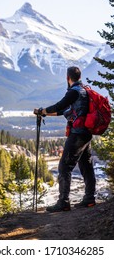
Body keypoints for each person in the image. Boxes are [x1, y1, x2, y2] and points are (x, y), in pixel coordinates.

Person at [34, 66, 96, 212]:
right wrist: (46, 114)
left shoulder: (73, 92)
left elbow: (59, 105)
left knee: (64, 166)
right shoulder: (84, 91)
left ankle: (63, 202)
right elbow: (64, 111)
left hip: (77, 134)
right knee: (86, 166)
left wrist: (42, 111)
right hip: (86, 133)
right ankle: (89, 199)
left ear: (68, 78)